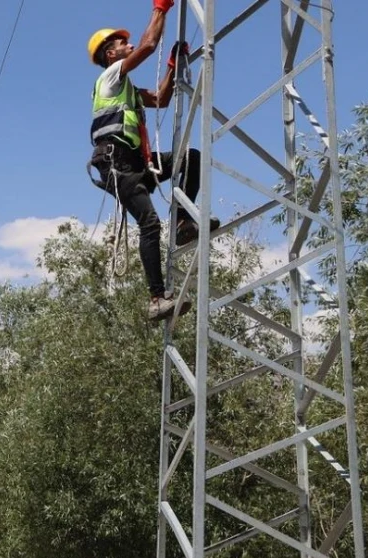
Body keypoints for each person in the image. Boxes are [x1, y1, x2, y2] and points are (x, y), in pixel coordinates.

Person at [87, 0, 220, 321]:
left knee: (189, 159)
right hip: (116, 164)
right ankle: (157, 298)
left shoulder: (126, 88)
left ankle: (182, 222)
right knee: (148, 224)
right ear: (110, 54)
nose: (128, 45)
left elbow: (161, 98)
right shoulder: (109, 78)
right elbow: (148, 45)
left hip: (135, 164)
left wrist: (173, 67)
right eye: (122, 44)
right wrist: (160, 9)